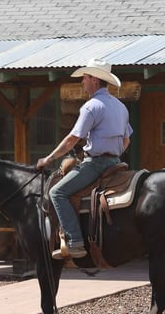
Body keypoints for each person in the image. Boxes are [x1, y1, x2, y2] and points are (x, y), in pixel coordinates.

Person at [35, 58, 133, 259]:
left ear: (95, 80)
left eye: (85, 77)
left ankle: (75, 243)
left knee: (57, 193)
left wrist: (48, 158)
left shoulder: (92, 106)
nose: (82, 82)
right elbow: (126, 141)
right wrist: (112, 153)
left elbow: (72, 139)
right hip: (116, 163)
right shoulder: (120, 106)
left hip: (96, 164)